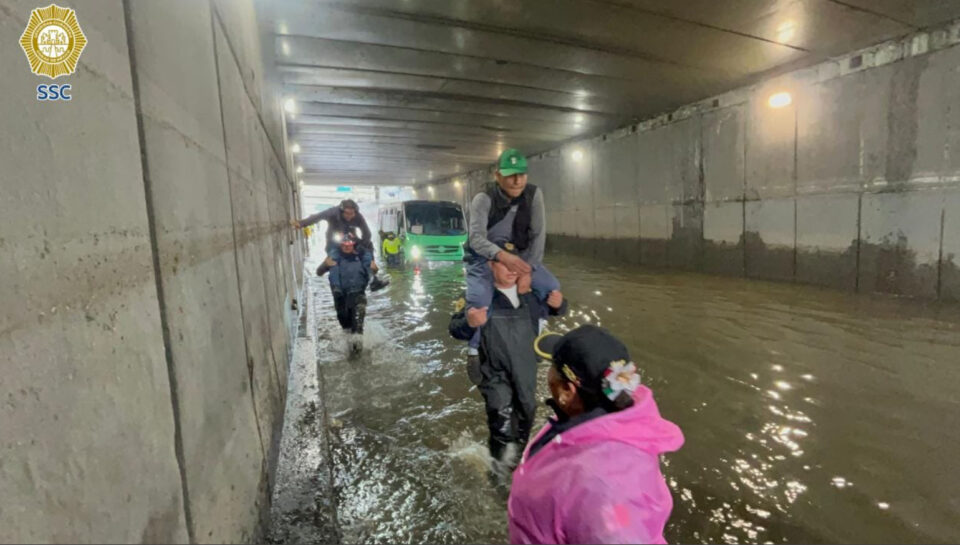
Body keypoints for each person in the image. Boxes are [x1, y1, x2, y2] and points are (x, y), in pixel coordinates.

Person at [507, 325, 684, 544]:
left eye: (552, 368)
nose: (548, 374)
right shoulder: (601, 421)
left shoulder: (604, 489)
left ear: (566, 391)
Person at [449, 242, 567, 469]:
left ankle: (514, 468)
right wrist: (469, 323)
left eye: (517, 264)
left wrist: (560, 305)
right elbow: (455, 329)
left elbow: (557, 309)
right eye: (506, 264)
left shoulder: (532, 296)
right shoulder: (478, 298)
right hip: (493, 371)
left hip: (525, 370)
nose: (513, 269)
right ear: (491, 265)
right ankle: (498, 479)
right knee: (501, 419)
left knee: (526, 414)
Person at [464, 149, 561, 375]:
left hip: (520, 257)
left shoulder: (534, 195)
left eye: (521, 175)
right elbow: (476, 239)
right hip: (485, 258)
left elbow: (538, 236)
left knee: (551, 287)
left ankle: (538, 332)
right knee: (480, 302)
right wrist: (500, 257)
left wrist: (530, 269)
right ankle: (473, 350)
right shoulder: (483, 199)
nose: (517, 181)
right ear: (497, 176)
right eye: (510, 175)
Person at [293, 199, 381, 278]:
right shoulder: (332, 213)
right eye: (347, 213)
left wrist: (364, 249)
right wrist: (301, 223)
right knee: (333, 256)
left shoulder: (358, 217)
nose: (349, 216)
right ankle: (327, 266)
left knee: (368, 247)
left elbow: (367, 234)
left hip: (352, 239)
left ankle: (373, 276)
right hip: (334, 239)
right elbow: (318, 217)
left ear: (355, 212)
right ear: (341, 211)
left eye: (352, 213)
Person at [326, 233, 372, 354]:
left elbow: (371, 268)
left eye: (349, 245)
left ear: (353, 245)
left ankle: (357, 353)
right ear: (340, 246)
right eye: (344, 245)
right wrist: (337, 289)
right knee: (346, 325)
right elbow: (330, 274)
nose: (347, 248)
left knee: (357, 327)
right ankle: (350, 348)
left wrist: (372, 279)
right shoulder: (335, 258)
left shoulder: (362, 257)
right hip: (341, 297)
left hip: (358, 296)